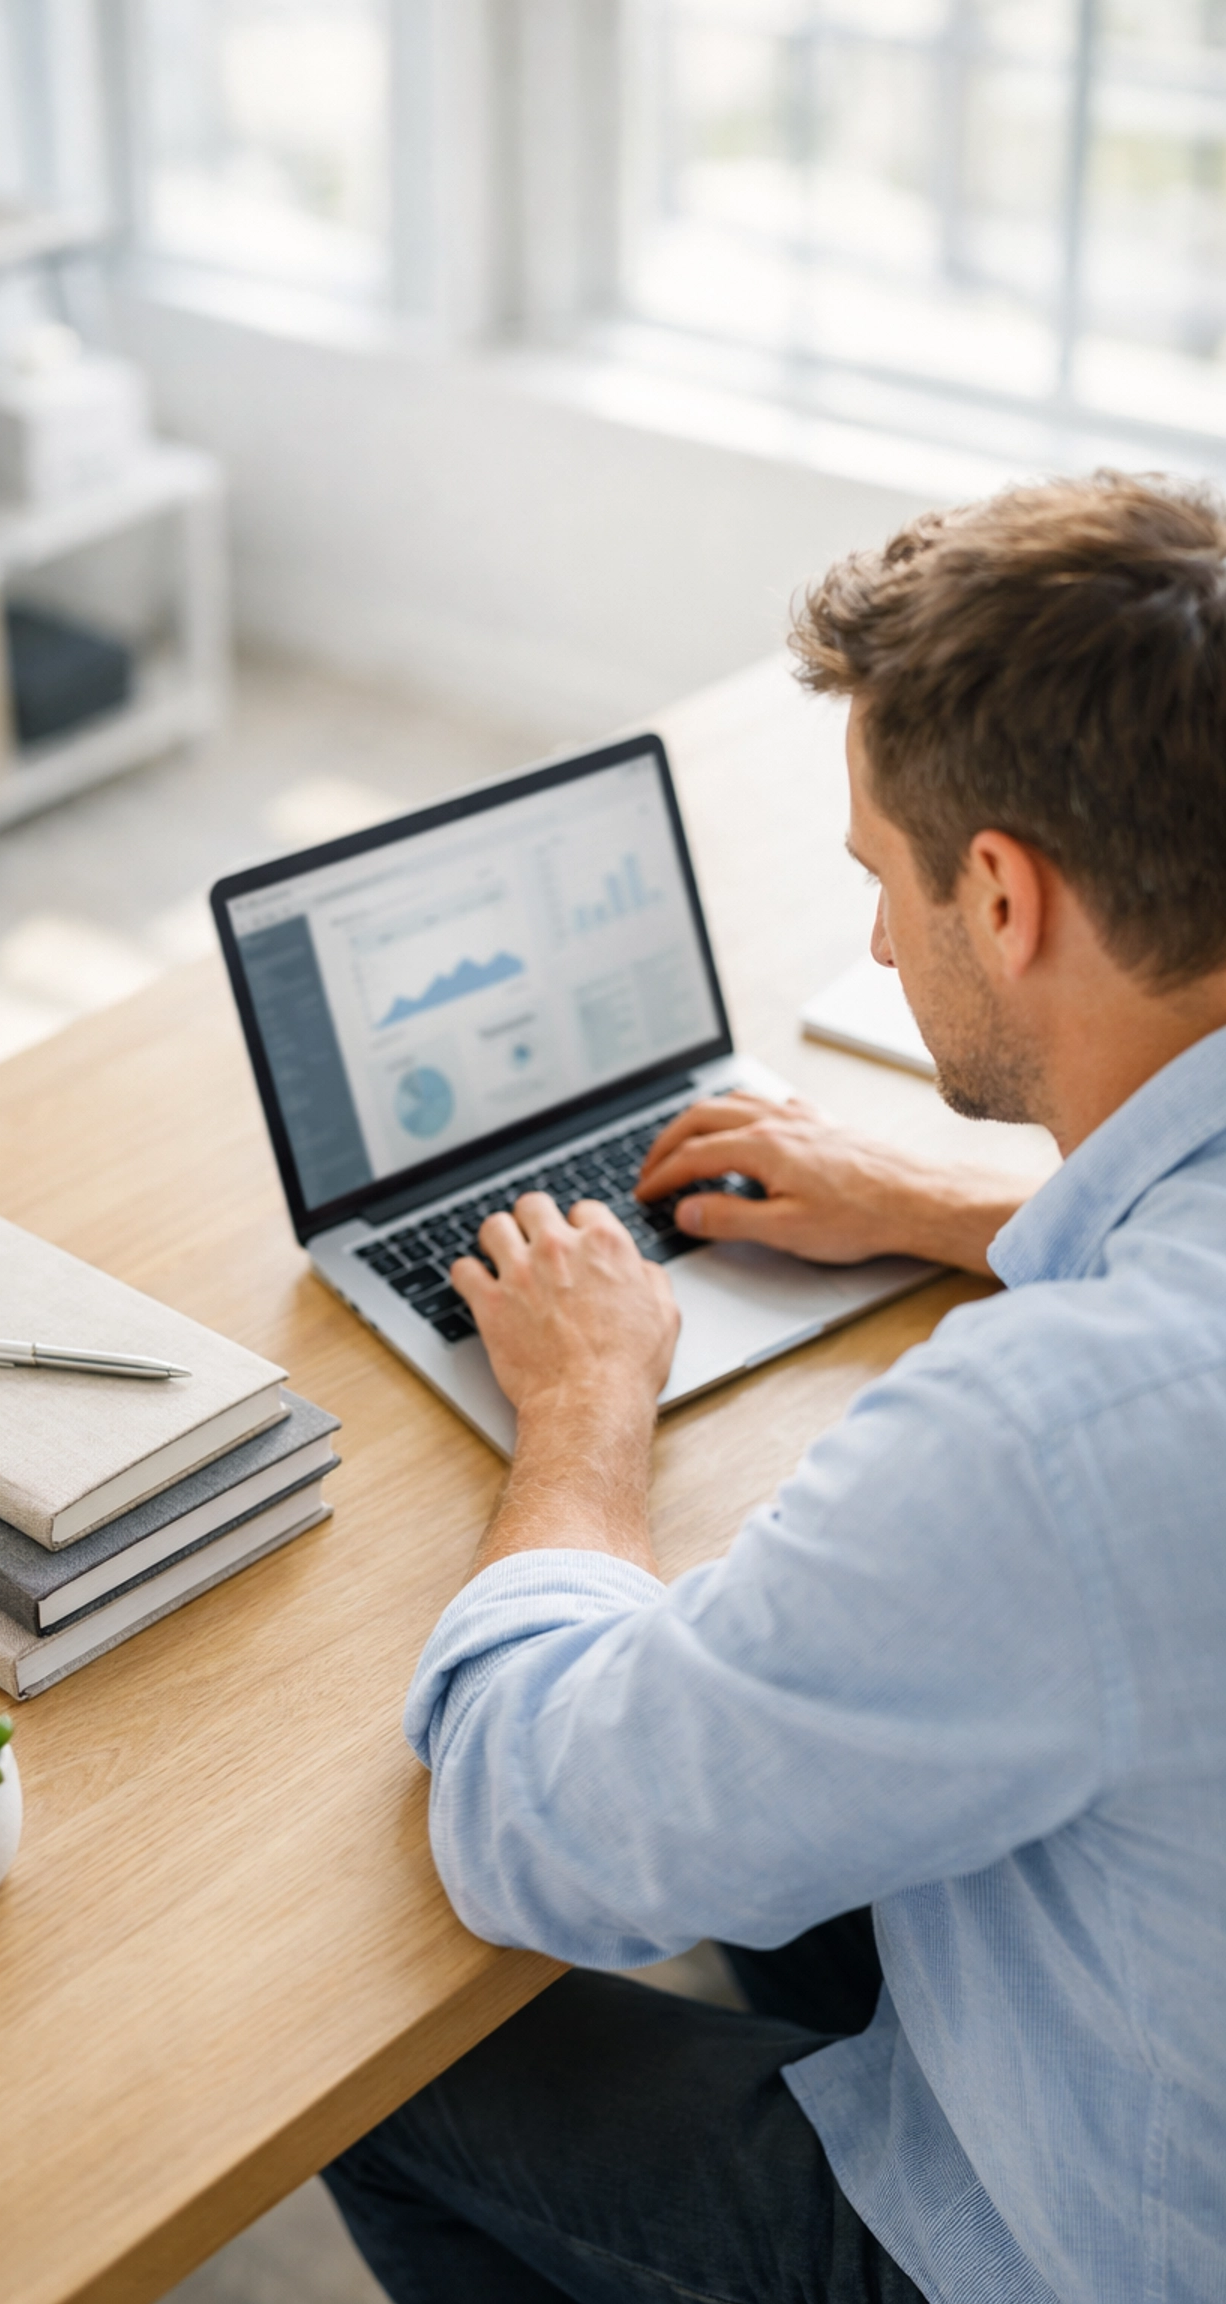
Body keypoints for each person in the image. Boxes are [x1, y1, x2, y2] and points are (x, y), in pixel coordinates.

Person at [322, 472, 1226, 2304]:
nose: (883, 946)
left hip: (1094, 2247)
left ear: (1002, 890)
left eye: (881, 878)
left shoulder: (1051, 1444)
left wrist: (583, 1410)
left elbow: (541, 1833)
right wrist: (948, 1197)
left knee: (359, 2059)